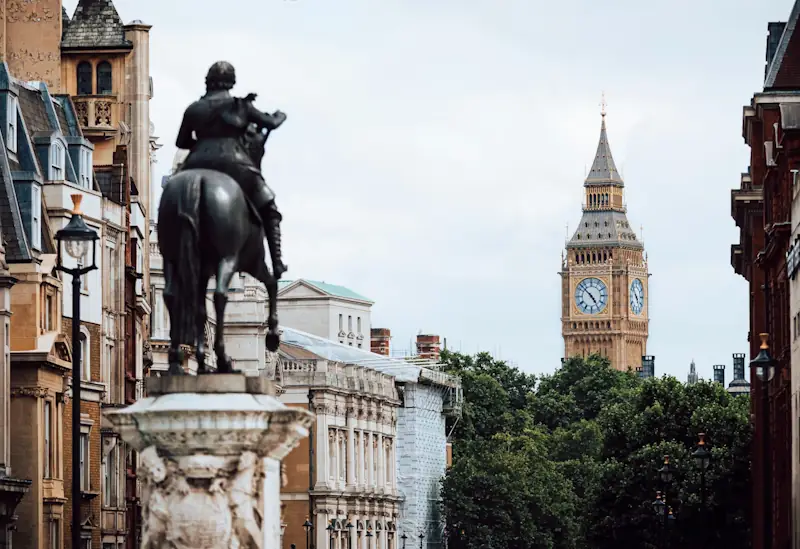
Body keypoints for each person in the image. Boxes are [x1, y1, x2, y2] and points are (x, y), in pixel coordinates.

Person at [175, 61, 287, 278]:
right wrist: (280, 115)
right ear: (231, 82)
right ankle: (277, 262)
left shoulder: (194, 108)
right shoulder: (239, 105)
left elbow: (182, 141)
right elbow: (270, 123)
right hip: (234, 163)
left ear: (208, 81)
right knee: (269, 206)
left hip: (195, 163)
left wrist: (202, 143)